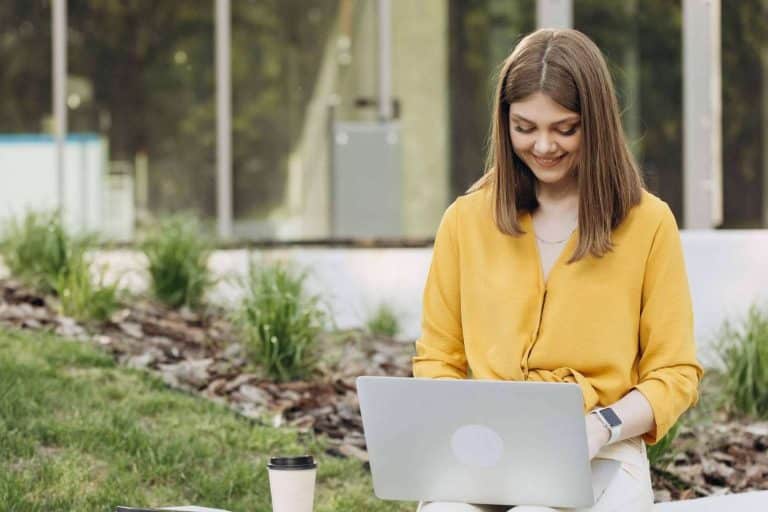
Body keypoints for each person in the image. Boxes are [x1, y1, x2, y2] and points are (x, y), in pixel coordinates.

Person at [411, 28, 704, 512]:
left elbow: (674, 373)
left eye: (564, 128)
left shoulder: (649, 224)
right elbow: (438, 357)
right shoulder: (465, 220)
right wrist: (468, 429)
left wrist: (601, 425)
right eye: (524, 127)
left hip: (603, 447)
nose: (543, 146)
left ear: (596, 123)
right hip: (490, 450)